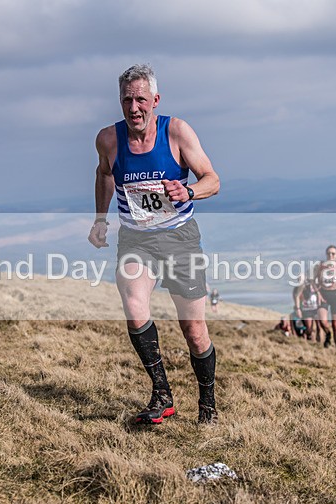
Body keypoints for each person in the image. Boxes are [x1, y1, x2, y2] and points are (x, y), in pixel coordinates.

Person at [88, 64, 221, 425]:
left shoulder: (176, 132)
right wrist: (101, 219)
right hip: (136, 239)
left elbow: (213, 179)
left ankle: (207, 404)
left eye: (141, 100)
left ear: (155, 101)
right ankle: (162, 395)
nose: (134, 108)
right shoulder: (108, 140)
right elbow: (103, 174)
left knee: (194, 331)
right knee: (134, 308)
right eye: (127, 100)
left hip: (179, 239)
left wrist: (189, 190)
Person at [293, 275, 319, 341]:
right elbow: (296, 299)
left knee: (319, 327)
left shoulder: (311, 286)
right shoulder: (296, 290)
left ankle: (318, 343)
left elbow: (318, 293)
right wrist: (298, 309)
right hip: (306, 310)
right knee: (309, 328)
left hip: (315, 308)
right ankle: (308, 338)